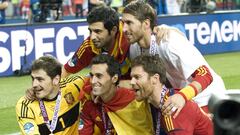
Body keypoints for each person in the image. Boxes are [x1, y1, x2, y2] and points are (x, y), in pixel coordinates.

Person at [122, 0, 225, 117]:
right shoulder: (134, 49)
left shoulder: (168, 41)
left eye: (129, 23)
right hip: (176, 100)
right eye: (123, 23)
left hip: (205, 99)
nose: (124, 29)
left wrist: (182, 96)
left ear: (146, 23)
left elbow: (205, 74)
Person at [130, 54, 213, 135]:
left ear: (155, 79)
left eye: (137, 77)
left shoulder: (174, 110)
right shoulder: (156, 103)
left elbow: (206, 74)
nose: (131, 82)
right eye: (132, 78)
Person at [79, 54, 154, 134]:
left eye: (99, 76)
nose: (93, 81)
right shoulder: (90, 103)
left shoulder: (137, 99)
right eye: (91, 76)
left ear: (114, 79)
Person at [16, 55, 86, 135]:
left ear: (56, 80)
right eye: (33, 78)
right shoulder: (26, 105)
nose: (34, 84)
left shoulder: (75, 85)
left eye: (40, 79)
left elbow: (97, 81)